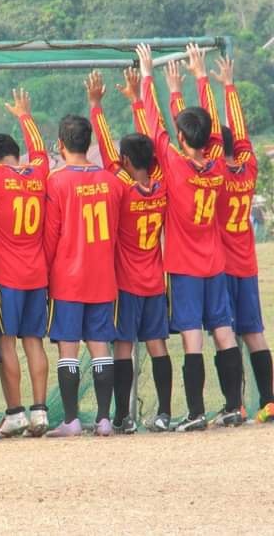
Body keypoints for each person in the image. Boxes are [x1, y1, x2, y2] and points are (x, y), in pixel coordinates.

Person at [137, 43, 244, 430]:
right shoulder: (216, 166)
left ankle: (196, 412)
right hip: (214, 263)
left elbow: (153, 122)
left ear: (182, 138)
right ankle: (234, 406)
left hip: (183, 267)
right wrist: (202, 79)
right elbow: (212, 124)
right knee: (223, 330)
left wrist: (149, 76)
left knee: (192, 338)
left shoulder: (174, 162)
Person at [168, 55, 274, 422]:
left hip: (217, 264)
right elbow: (235, 131)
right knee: (252, 334)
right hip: (245, 263)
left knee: (215, 334)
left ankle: (234, 404)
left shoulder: (212, 171)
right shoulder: (247, 168)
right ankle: (267, 400)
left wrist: (182, 89)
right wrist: (225, 84)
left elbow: (198, 132)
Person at [86, 69, 172, 433]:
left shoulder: (122, 186)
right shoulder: (163, 186)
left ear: (125, 160)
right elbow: (153, 140)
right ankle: (164, 412)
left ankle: (123, 417)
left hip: (126, 284)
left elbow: (107, 149)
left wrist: (96, 106)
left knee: (123, 347)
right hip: (155, 281)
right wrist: (137, 100)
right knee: (157, 347)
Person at [43, 110, 124, 438]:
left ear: (60, 145)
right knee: (100, 345)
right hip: (103, 275)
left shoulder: (57, 180)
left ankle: (72, 420)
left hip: (68, 277)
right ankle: (105, 419)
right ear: (89, 143)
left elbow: (51, 234)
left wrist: (47, 274)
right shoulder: (111, 181)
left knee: (68, 348)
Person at [0, 88, 50, 437]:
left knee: (4, 342)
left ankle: (15, 412)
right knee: (33, 341)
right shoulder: (37, 174)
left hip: (4, 276)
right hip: (37, 274)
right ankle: (40, 412)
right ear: (15, 155)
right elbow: (39, 152)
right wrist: (25, 115)